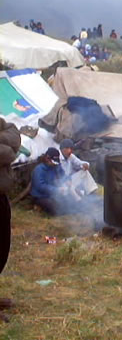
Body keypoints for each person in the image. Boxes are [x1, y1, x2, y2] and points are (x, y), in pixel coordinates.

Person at [0, 118, 21, 321]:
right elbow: (7, 152)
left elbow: (14, 134)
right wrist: (7, 149)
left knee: (2, 248)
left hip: (1, 194)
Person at [30, 147, 74, 215]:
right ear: (47, 158)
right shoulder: (39, 170)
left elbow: (63, 175)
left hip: (53, 195)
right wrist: (56, 190)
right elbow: (40, 186)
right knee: (56, 209)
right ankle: (38, 206)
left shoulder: (56, 166)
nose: (55, 164)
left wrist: (68, 180)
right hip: (40, 196)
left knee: (69, 202)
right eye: (53, 162)